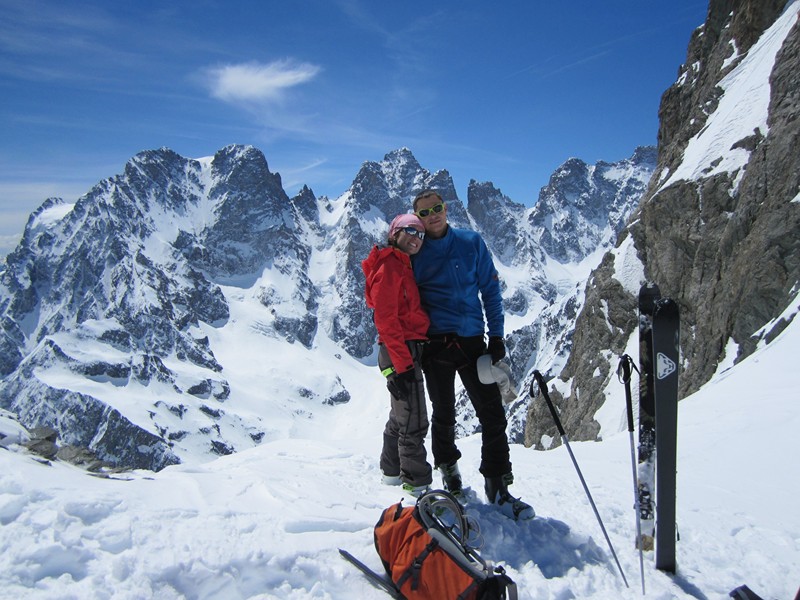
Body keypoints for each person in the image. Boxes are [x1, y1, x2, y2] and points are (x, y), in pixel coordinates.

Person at [410, 189, 534, 520]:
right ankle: (451, 478)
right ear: (418, 219)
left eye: (437, 208)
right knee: (444, 414)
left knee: (492, 412)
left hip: (472, 343)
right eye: (425, 212)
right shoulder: (415, 252)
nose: (433, 215)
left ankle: (498, 486)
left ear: (446, 209)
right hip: (435, 346)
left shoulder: (471, 243)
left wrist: (496, 335)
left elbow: (490, 291)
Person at [362, 213, 433, 498]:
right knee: (413, 420)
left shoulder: (400, 264)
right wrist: (402, 367)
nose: (417, 239)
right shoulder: (390, 266)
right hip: (398, 350)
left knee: (401, 414)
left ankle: (391, 472)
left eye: (421, 235)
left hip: (402, 349)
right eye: (411, 232)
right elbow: (386, 319)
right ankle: (417, 486)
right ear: (394, 234)